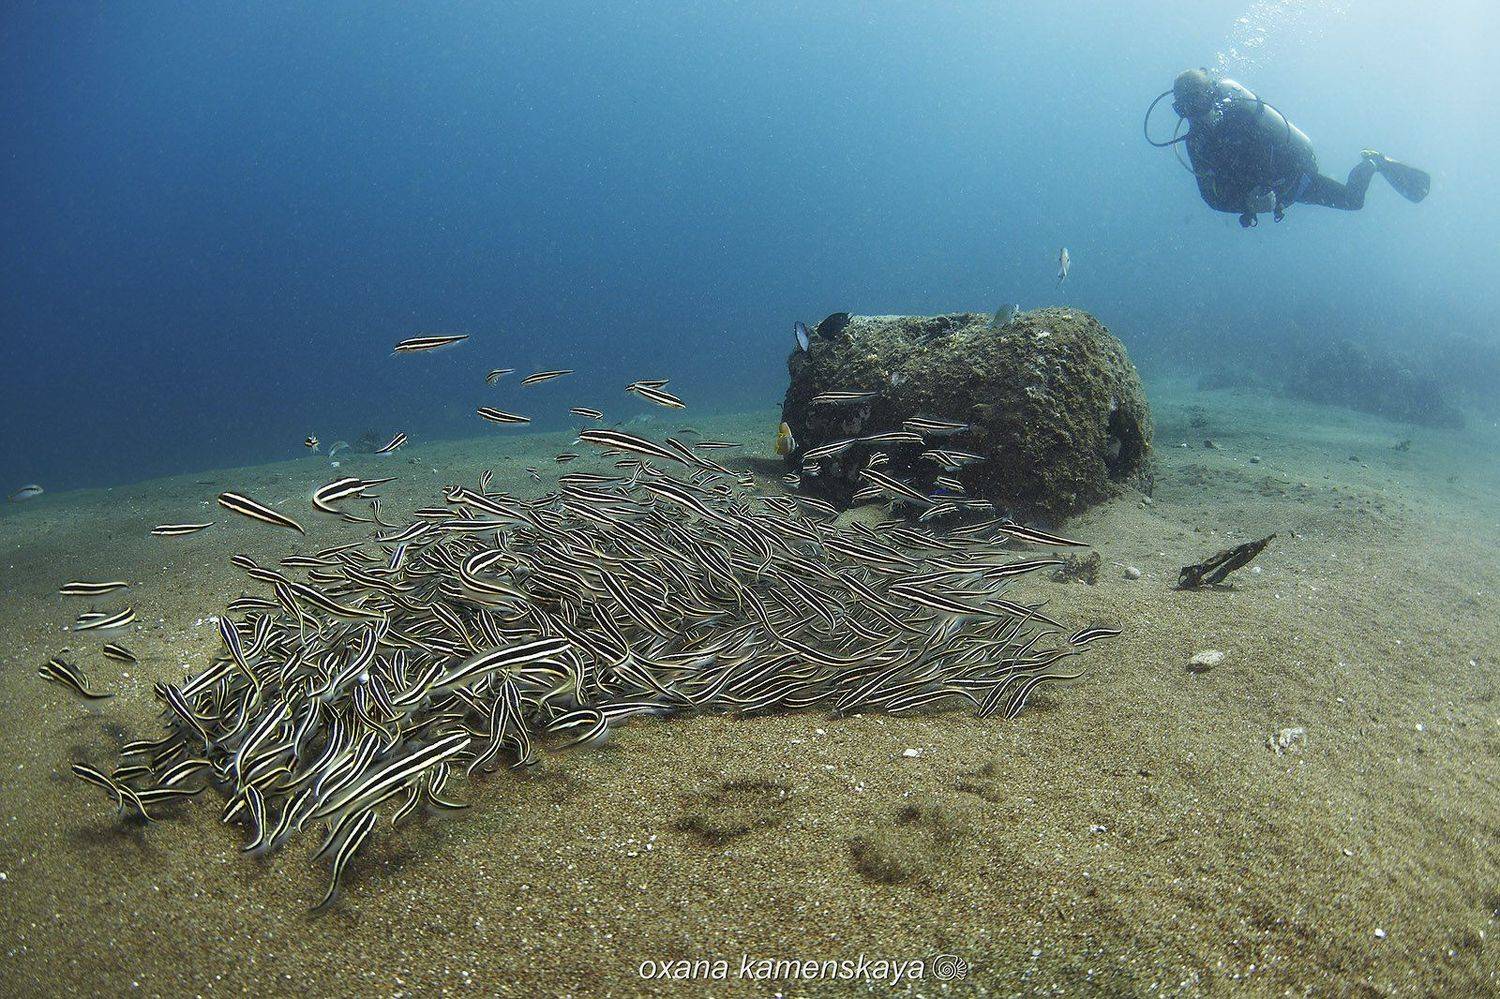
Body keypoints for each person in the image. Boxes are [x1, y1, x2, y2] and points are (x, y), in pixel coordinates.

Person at [1167, 68, 1429, 228]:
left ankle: (1374, 162)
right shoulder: (1196, 142)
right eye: (1184, 108)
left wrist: (1267, 189)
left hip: (1297, 180)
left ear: (1211, 95)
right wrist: (1246, 203)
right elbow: (1211, 198)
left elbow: (1277, 151)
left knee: (1354, 200)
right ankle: (1374, 163)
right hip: (1277, 196)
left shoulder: (1241, 115)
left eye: (1197, 103)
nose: (1194, 115)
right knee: (1352, 202)